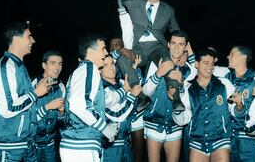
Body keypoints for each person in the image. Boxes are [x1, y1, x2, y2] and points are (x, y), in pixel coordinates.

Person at [112, 0, 185, 112]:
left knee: (167, 61)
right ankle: (141, 96)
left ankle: (176, 98)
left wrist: (184, 53)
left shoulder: (168, 10)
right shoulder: (136, 1)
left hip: (158, 47)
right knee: (121, 58)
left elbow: (177, 32)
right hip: (138, 49)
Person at [0, 21, 52, 161]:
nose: (33, 41)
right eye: (29, 36)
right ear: (16, 39)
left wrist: (36, 89)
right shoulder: (5, 67)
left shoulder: (18, 66)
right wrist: (35, 94)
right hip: (10, 149)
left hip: (25, 144)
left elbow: (23, 103)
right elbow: (8, 108)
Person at [59, 33, 119, 162]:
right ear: (91, 51)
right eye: (103, 49)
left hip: (78, 144)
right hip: (81, 146)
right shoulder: (89, 68)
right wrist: (104, 128)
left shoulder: (81, 70)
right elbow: (78, 105)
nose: (106, 53)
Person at [142, 30, 197, 162]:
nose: (177, 47)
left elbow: (187, 101)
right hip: (154, 122)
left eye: (181, 44)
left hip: (175, 125)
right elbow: (144, 94)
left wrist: (181, 86)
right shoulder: (156, 62)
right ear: (168, 44)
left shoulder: (189, 71)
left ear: (185, 47)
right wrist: (157, 74)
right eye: (173, 43)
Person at [172, 48, 236, 162]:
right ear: (196, 64)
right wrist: (176, 108)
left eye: (212, 63)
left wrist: (240, 106)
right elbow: (182, 120)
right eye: (205, 63)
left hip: (221, 139)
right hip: (197, 141)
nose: (210, 67)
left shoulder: (224, 84)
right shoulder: (187, 88)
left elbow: (235, 110)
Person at [213, 45, 255, 162]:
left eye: (232, 54)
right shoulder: (224, 75)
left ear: (243, 57)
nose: (228, 56)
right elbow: (201, 66)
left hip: (249, 140)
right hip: (226, 137)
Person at [100, 55, 141, 162]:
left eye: (112, 63)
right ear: (99, 69)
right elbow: (117, 115)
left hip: (127, 143)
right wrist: (132, 95)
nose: (111, 68)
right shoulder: (100, 90)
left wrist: (133, 71)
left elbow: (137, 107)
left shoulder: (123, 83)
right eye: (105, 65)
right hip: (110, 146)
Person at [31, 50, 66, 162]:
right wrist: (47, 107)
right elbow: (26, 118)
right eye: (53, 63)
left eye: (60, 63)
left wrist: (61, 113)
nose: (57, 67)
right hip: (32, 144)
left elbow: (62, 121)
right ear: (44, 65)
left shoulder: (61, 86)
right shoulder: (33, 84)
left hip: (51, 144)